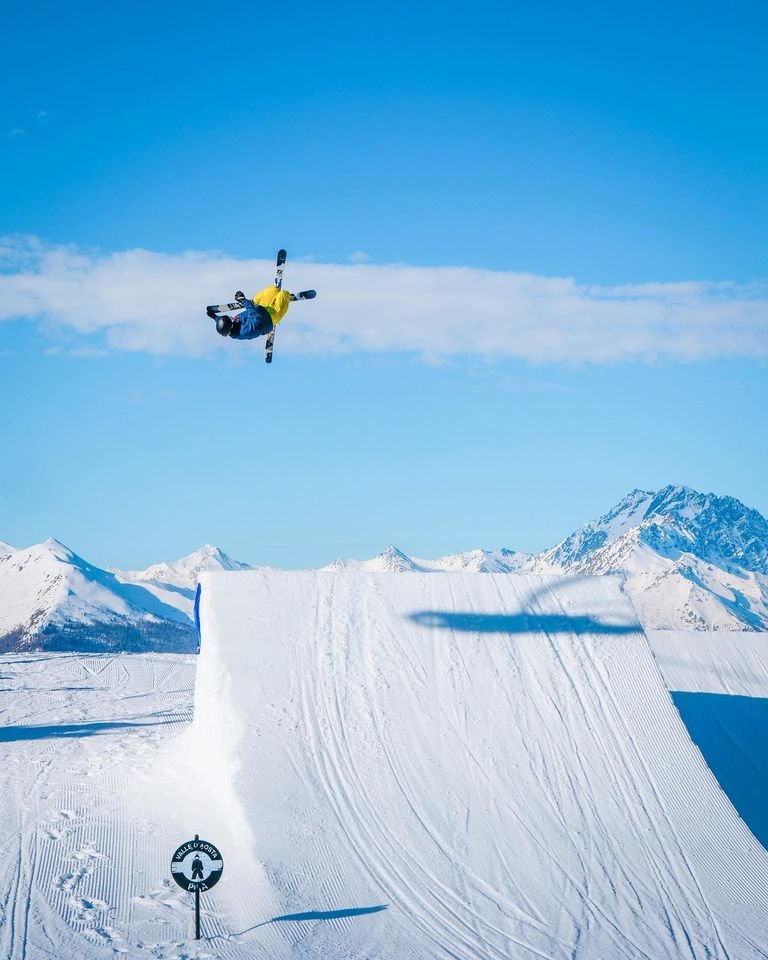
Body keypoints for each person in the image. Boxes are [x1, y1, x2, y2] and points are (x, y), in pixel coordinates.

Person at [212, 284, 292, 340]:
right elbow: (255, 316)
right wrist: (244, 301)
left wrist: (213, 316)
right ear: (231, 325)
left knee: (272, 290)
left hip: (261, 307)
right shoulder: (244, 331)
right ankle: (287, 298)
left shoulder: (229, 325)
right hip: (271, 318)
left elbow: (223, 322)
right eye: (231, 320)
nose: (232, 318)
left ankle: (269, 296)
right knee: (283, 294)